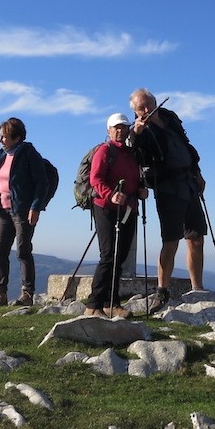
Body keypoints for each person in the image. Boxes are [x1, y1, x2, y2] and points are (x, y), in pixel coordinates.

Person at [128, 88, 206, 304]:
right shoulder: (137, 131)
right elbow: (134, 153)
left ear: (155, 102)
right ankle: (163, 289)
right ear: (135, 111)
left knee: (196, 237)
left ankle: (197, 288)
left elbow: (186, 146)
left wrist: (197, 173)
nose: (146, 110)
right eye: (140, 108)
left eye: (148, 104)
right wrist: (137, 134)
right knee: (171, 240)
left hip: (189, 183)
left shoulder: (171, 118)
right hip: (167, 188)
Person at [0, 117, 48, 308]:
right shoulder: (2, 155)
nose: (0, 140)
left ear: (16, 137)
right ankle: (0, 294)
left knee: (23, 250)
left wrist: (35, 207)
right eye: (0, 136)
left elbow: (42, 183)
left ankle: (27, 294)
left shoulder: (29, 154)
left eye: (4, 137)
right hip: (2, 210)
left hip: (23, 211)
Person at [85, 112, 149, 318]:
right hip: (105, 207)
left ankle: (111, 304)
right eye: (116, 127)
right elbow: (95, 178)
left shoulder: (131, 153)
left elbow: (135, 177)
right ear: (108, 131)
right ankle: (93, 305)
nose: (120, 130)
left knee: (119, 257)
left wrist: (141, 189)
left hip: (128, 208)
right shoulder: (104, 150)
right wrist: (110, 195)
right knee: (109, 255)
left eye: (123, 127)